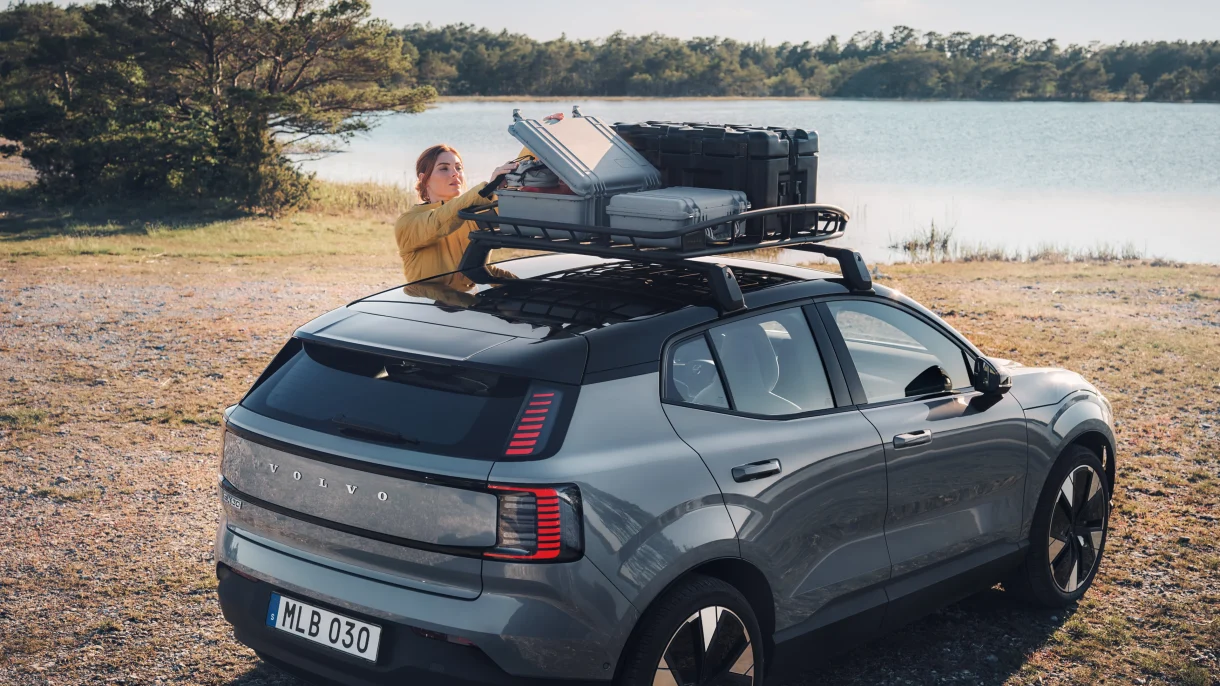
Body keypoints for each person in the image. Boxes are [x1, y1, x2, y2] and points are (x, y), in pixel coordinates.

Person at [393, 144, 520, 285]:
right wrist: (487, 189)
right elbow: (439, 221)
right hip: (428, 299)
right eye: (444, 168)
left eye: (458, 168)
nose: (455, 173)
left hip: (469, 298)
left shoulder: (473, 214)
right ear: (424, 179)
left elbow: (481, 269)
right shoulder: (407, 222)